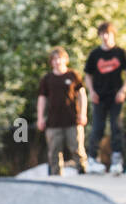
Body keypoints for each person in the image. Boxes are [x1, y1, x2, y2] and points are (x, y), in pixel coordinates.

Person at [84, 23, 126, 175]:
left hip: (115, 96)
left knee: (116, 127)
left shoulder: (120, 53)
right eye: (102, 34)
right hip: (99, 96)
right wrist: (91, 91)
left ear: (113, 35)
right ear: (99, 35)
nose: (105, 37)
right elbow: (88, 74)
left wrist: (123, 91)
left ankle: (117, 160)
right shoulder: (95, 54)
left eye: (108, 34)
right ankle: (92, 159)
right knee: (97, 128)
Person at [37, 47, 89, 176]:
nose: (57, 61)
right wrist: (40, 118)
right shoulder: (47, 79)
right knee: (54, 152)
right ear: (51, 62)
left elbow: (82, 95)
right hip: (53, 122)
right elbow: (42, 99)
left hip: (72, 120)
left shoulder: (73, 76)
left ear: (65, 60)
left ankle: (83, 173)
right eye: (54, 59)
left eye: (59, 58)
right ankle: (56, 178)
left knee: (77, 149)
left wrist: (83, 114)